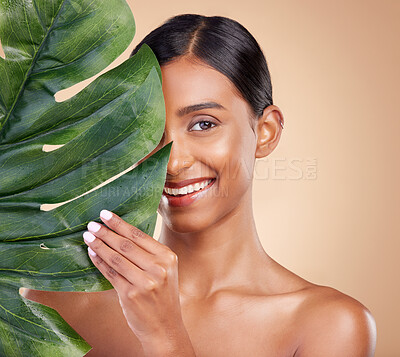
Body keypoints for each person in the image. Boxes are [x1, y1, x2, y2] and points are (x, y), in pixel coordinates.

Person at [21, 14, 377, 356]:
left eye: (203, 124)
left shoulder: (329, 326)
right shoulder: (53, 304)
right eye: (150, 129)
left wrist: (165, 337)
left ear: (266, 132)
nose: (173, 162)